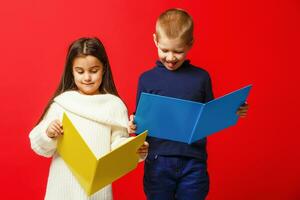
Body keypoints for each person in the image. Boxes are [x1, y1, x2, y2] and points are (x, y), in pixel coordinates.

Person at [128, 8, 249, 200]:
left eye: (178, 51)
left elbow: (210, 115)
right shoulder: (147, 79)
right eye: (164, 50)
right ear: (155, 41)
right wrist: (133, 123)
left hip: (194, 161)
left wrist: (233, 111)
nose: (170, 57)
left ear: (190, 44)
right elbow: (140, 120)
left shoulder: (201, 78)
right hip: (159, 160)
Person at [29, 37, 148, 200]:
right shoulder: (62, 102)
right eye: (80, 71)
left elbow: (117, 145)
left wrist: (134, 149)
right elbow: (39, 146)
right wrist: (48, 133)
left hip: (97, 192)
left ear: (104, 69)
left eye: (93, 71)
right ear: (71, 70)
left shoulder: (114, 105)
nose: (87, 78)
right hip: (62, 189)